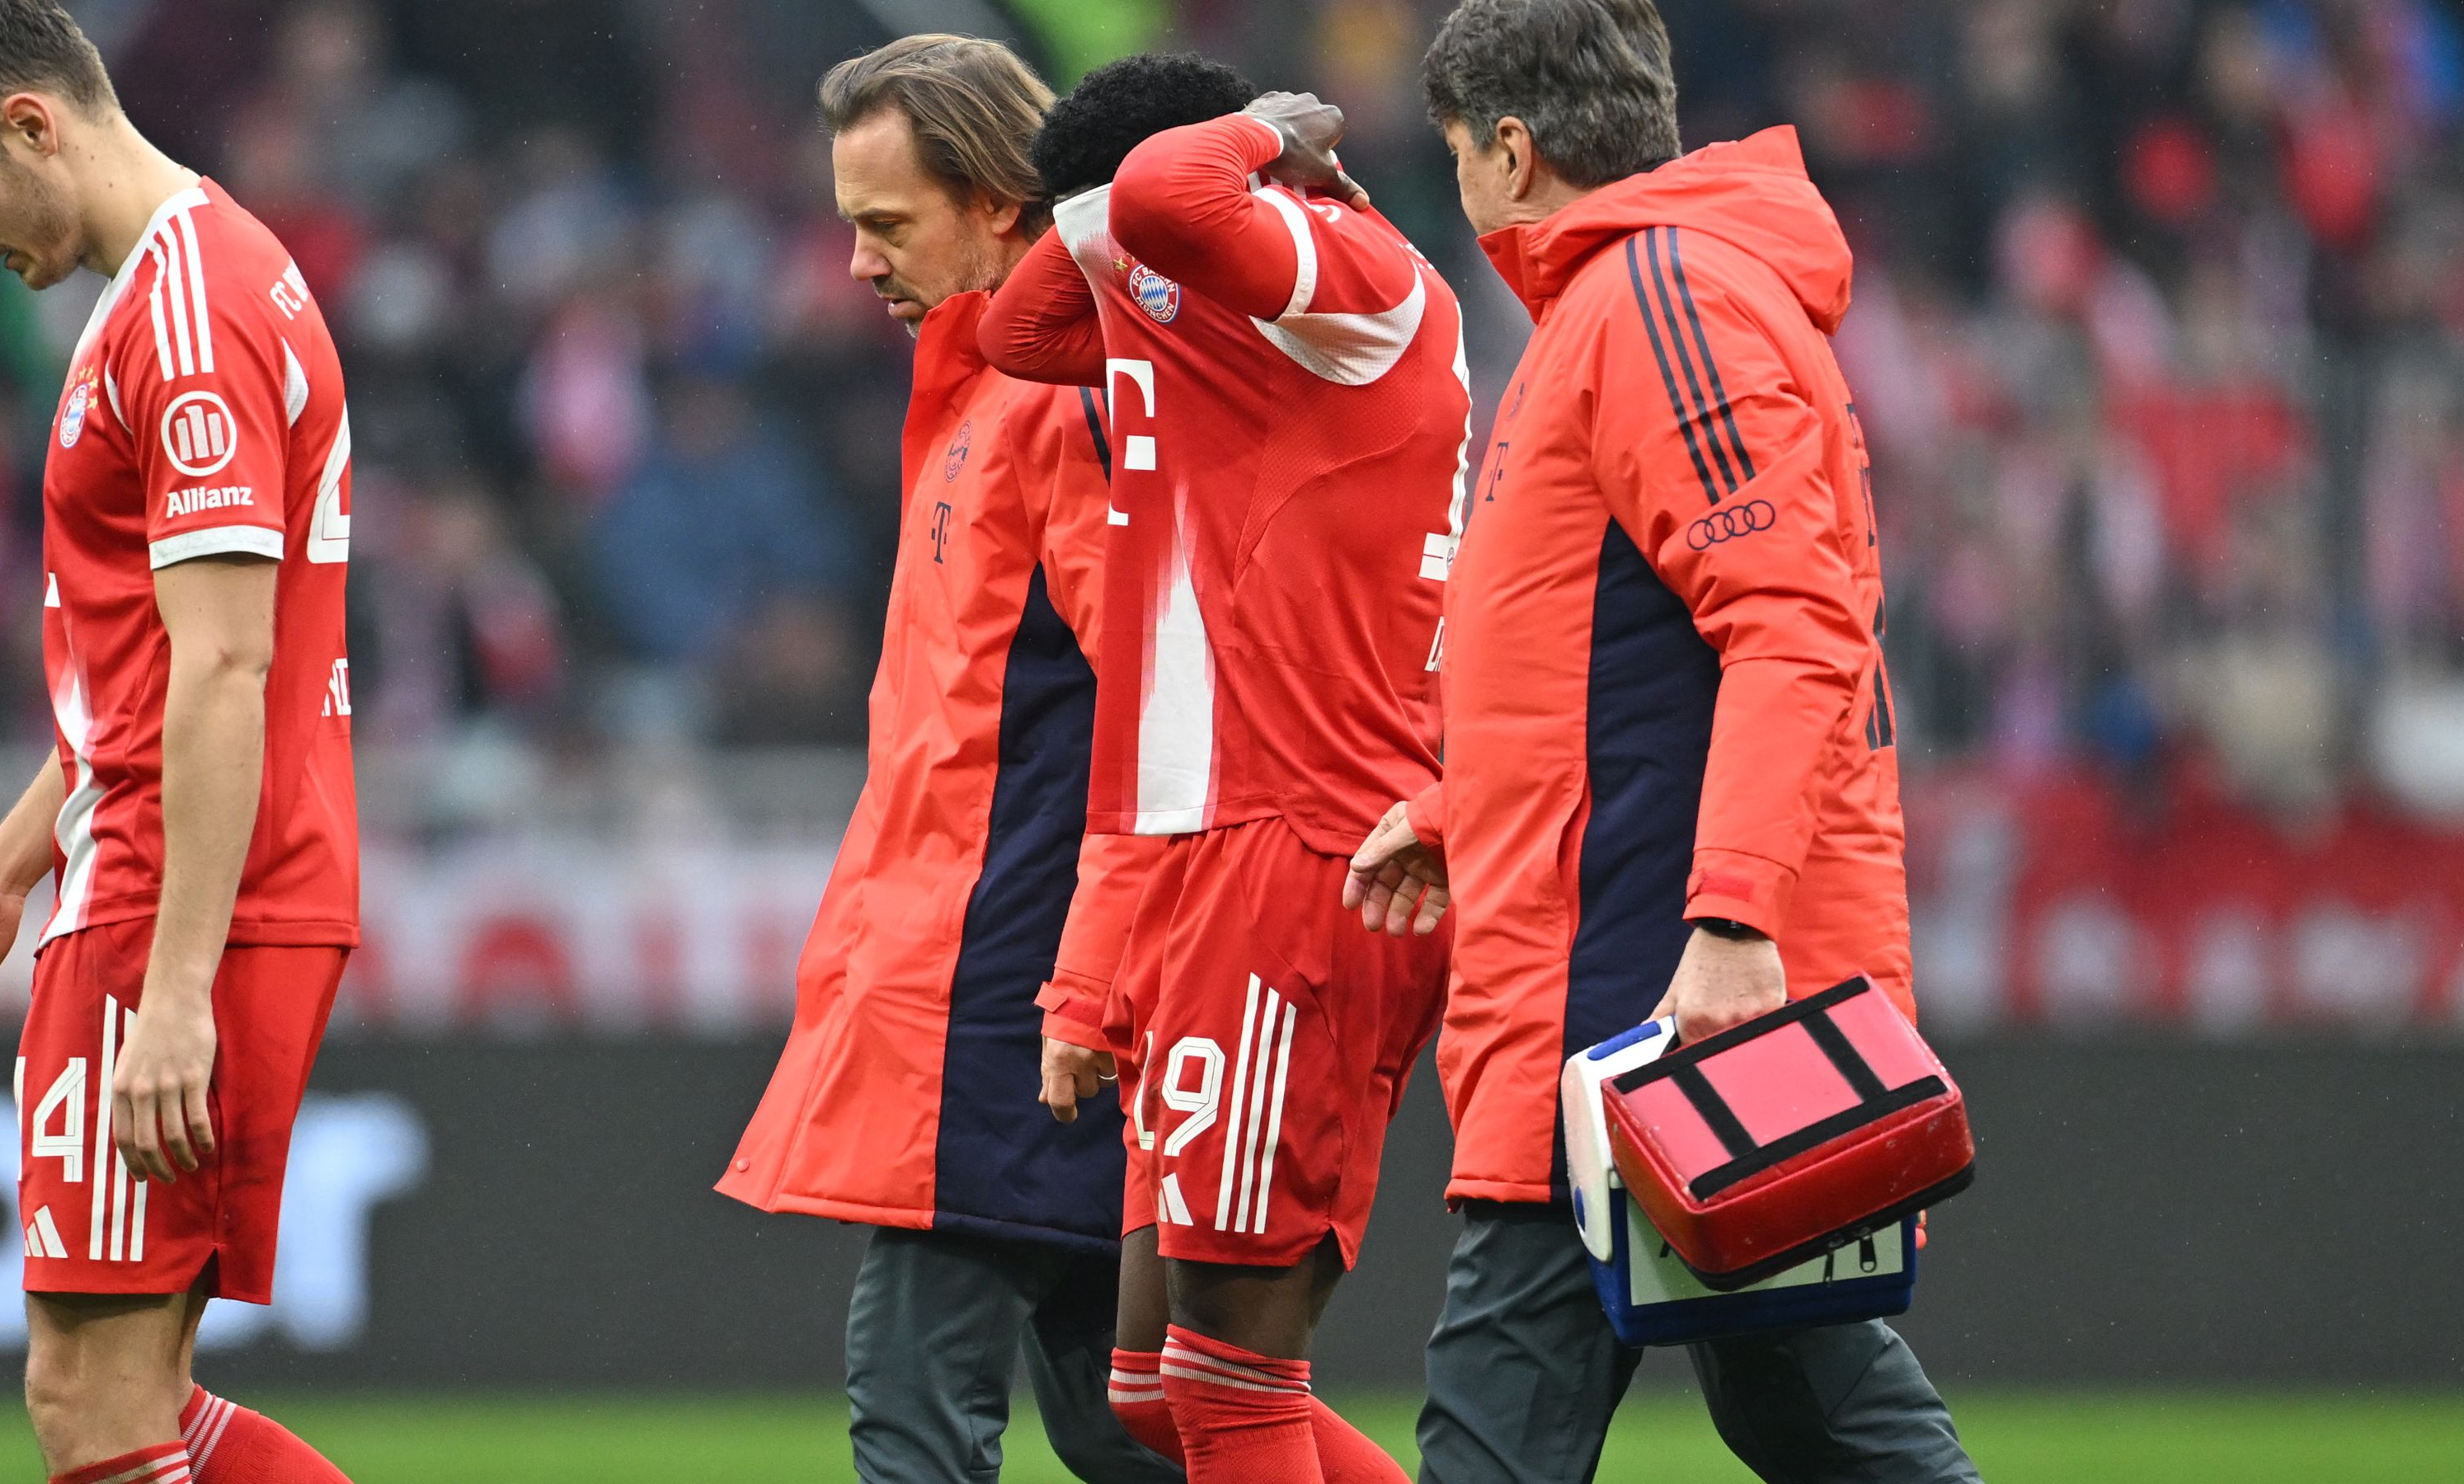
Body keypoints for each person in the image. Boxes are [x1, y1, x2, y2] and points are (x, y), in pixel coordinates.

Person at [1342, 2, 1983, 1481]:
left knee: (1497, 1436)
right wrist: (1460, 811)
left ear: (1513, 150)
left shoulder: (1652, 297)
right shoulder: (1640, 300)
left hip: (1637, 1008)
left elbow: (1792, 624)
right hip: (1646, 977)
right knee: (1808, 1411)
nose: (1460, 185)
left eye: (1458, 151)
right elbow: (1628, 662)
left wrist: (1734, 920)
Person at [0, 2, 361, 1482]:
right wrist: (3, 874)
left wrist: (179, 988)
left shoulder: (186, 318)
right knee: (124, 1397)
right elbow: (141, 677)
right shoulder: (188, 280)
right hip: (162, 870)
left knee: (96, 1404)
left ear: (33, 124)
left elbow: (223, 664)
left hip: (179, 891)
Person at [982, 53, 1468, 1483]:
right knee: (1152, 1391)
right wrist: (1106, 216)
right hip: (1218, 853)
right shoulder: (1211, 319)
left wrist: (1260, 131)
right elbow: (1018, 329)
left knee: (1230, 1378)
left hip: (1310, 847)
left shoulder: (1355, 276)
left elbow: (1161, 196)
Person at [711, 35, 1178, 1484]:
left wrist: (1089, 980)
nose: (857, 262)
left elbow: (1153, 713)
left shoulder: (1065, 400)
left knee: (916, 1405)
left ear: (997, 204)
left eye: (885, 224)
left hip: (1013, 998)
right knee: (1134, 1427)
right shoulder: (987, 390)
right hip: (1001, 984)